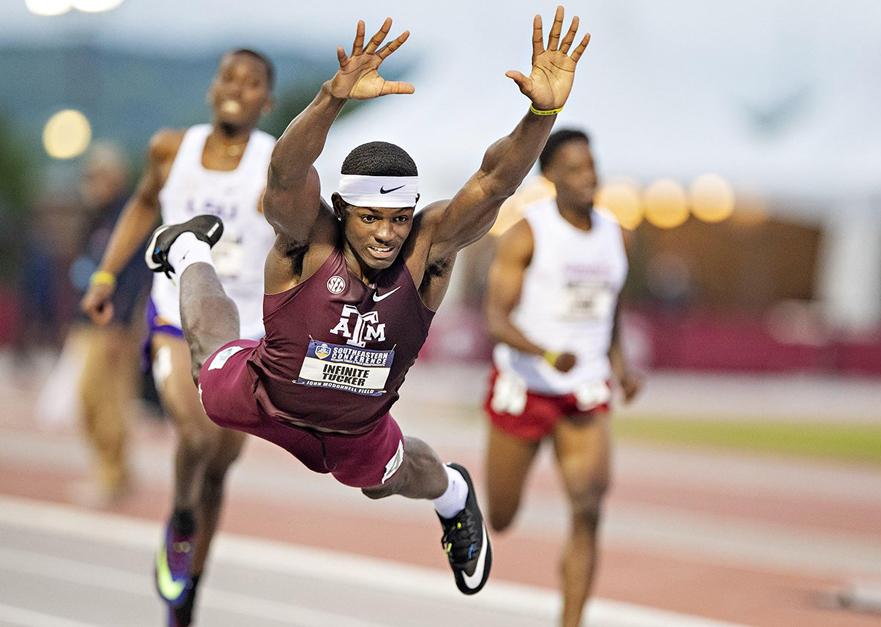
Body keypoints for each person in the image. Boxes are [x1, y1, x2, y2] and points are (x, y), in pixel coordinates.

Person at [140, 9, 589, 598]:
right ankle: (192, 248)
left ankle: (455, 497)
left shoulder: (428, 251)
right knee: (207, 364)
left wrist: (542, 114)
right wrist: (332, 97)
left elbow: (494, 182)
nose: (385, 234)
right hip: (263, 397)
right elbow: (282, 173)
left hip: (356, 430)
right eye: (371, 218)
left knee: (389, 481)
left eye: (399, 219)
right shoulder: (309, 238)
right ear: (343, 211)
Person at [81, 49, 277, 626]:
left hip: (247, 330)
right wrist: (105, 274)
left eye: (253, 82)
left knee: (219, 464)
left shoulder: (275, 164)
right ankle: (183, 517)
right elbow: (143, 205)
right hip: (175, 316)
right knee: (194, 430)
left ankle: (190, 589)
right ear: (213, 89)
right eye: (230, 77)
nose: (238, 87)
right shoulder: (171, 148)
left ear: (266, 100)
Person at [483, 128, 641, 626]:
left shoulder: (618, 233)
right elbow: (496, 319)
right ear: (549, 176)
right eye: (572, 168)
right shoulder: (527, 232)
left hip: (585, 388)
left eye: (590, 165)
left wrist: (621, 364)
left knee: (589, 505)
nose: (586, 176)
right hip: (525, 385)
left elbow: (609, 309)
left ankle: (571, 620)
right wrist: (546, 353)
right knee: (502, 518)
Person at [68, 143, 151, 505]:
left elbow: (136, 276)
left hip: (115, 325)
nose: (91, 183)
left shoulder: (129, 218)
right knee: (89, 399)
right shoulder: (97, 216)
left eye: (97, 176)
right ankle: (111, 469)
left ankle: (113, 475)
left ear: (114, 178)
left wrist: (125, 324)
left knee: (108, 400)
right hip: (89, 321)